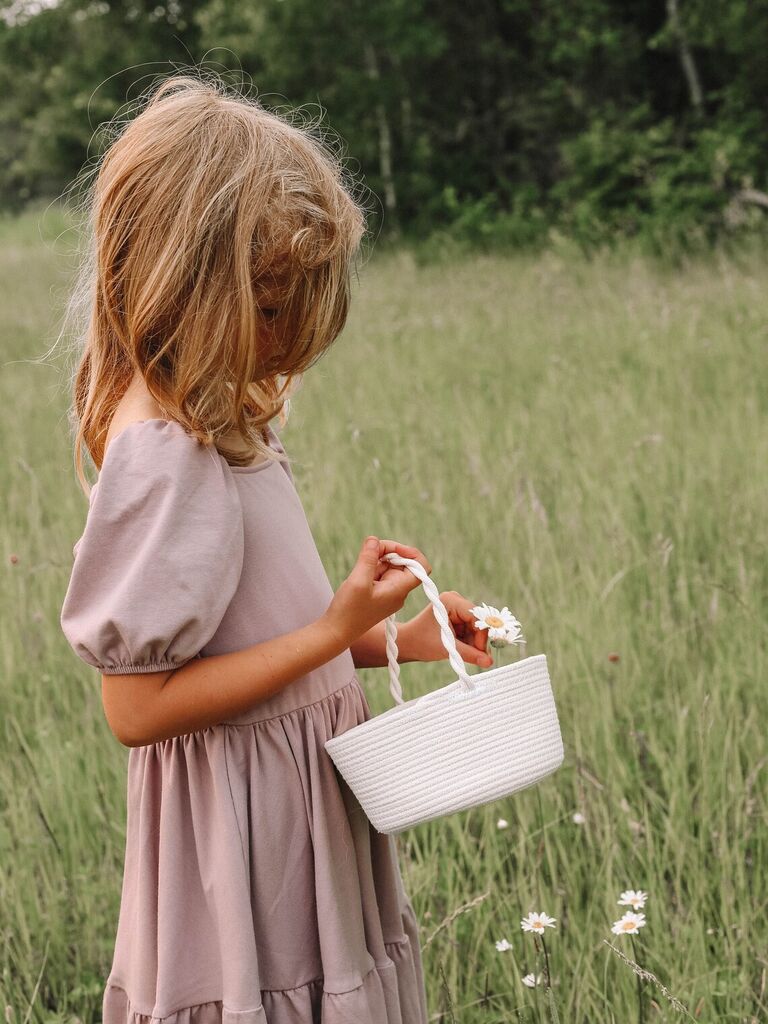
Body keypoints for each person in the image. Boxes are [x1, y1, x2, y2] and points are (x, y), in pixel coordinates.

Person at [59, 71, 494, 1024]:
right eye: (268, 307)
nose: (289, 338)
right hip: (243, 843)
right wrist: (334, 627)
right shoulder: (163, 452)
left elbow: (262, 642)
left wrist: (398, 642)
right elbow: (138, 708)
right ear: (180, 279)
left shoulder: (221, 419)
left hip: (296, 817)